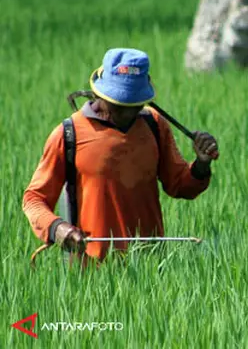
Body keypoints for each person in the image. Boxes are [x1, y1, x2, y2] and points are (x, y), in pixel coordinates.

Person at [22, 48, 219, 262]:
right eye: (119, 104)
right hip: (88, 272)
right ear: (100, 94)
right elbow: (34, 199)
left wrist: (201, 165)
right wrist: (57, 228)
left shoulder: (154, 125)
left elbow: (180, 185)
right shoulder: (69, 134)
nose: (128, 113)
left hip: (150, 268)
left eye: (134, 105)